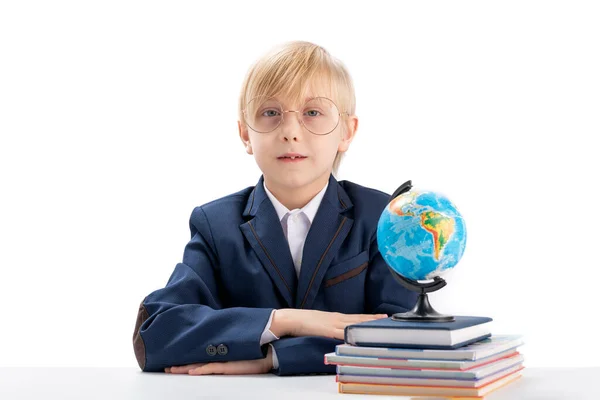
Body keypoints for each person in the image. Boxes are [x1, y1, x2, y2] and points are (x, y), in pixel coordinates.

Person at [132, 40, 418, 376]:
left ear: (346, 131)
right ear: (244, 133)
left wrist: (275, 358)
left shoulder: (385, 217)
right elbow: (155, 336)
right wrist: (285, 321)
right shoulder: (215, 224)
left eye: (313, 112)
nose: (290, 132)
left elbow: (402, 338)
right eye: (271, 113)